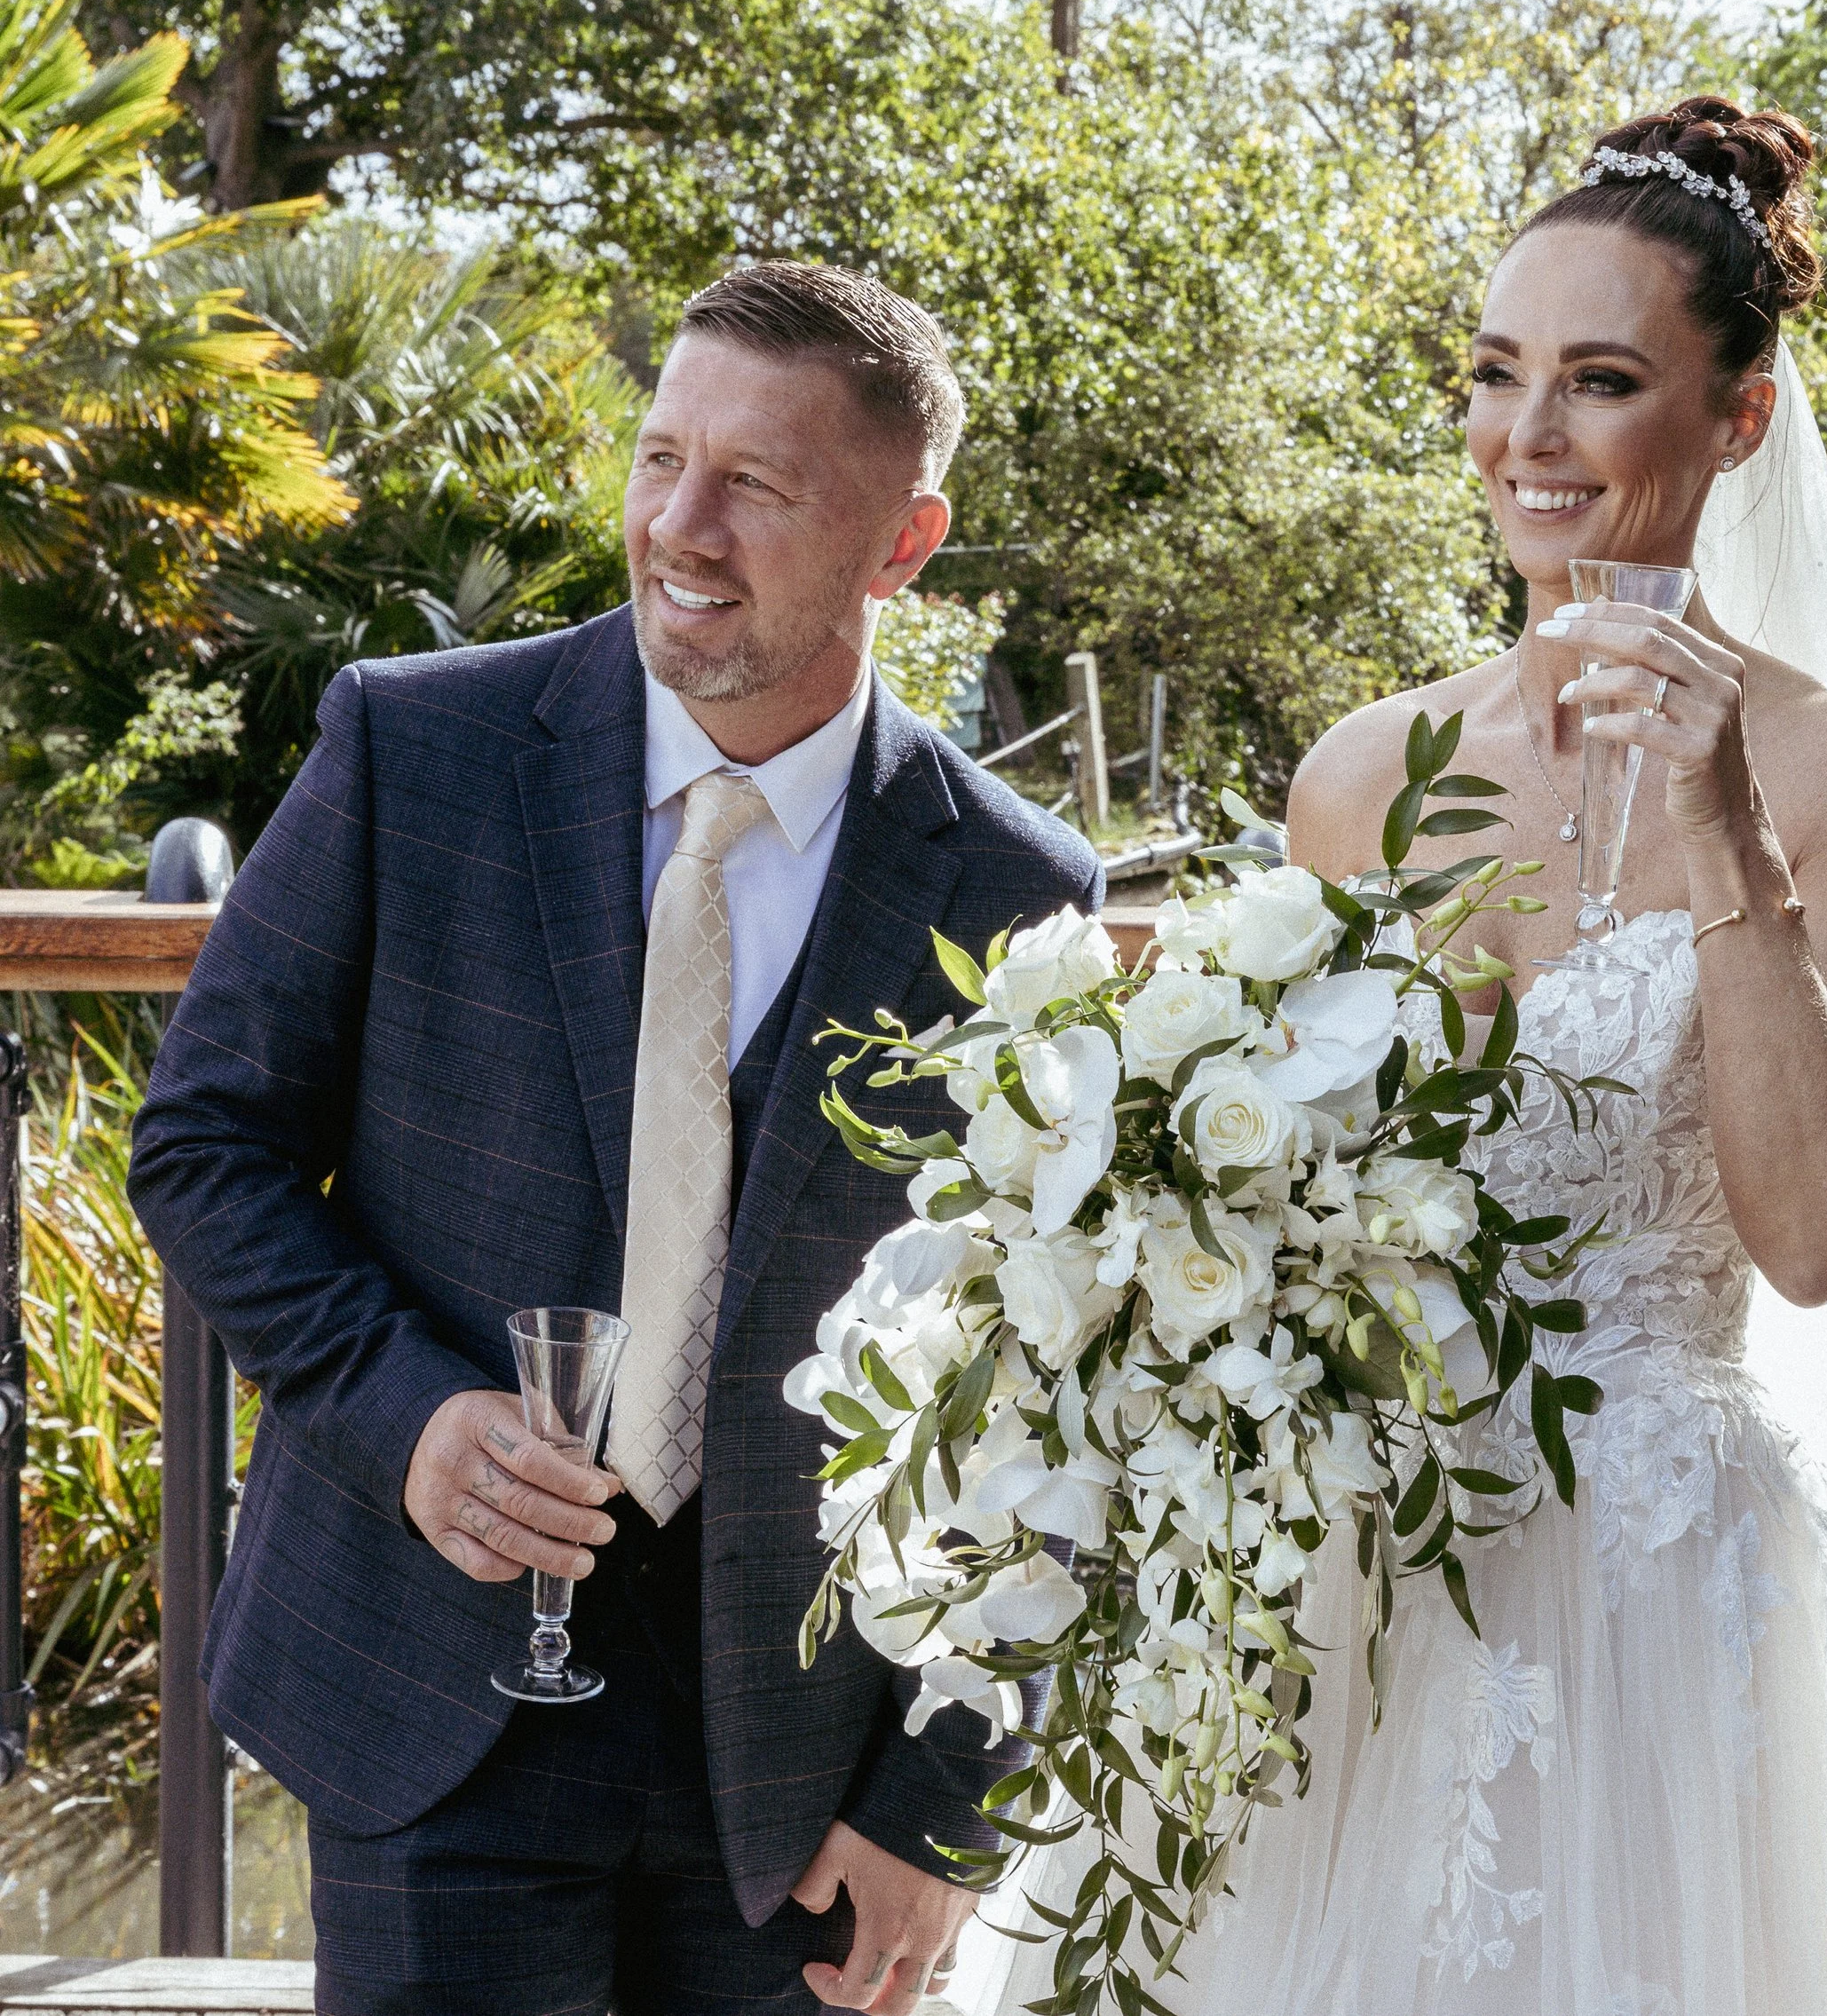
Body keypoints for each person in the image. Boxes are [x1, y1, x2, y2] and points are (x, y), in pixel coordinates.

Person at [968, 99, 1827, 2014]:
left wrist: (1723, 834)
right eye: (1493, 375)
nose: (1524, 438)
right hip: (1362, 1574)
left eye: (1598, 381)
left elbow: (1816, 1249)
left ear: (1737, 418)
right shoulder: (1361, 776)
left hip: (1667, 1597)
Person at [129, 262, 1103, 2016]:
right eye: (663, 458)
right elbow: (206, 1143)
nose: (680, 525)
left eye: (758, 485)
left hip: (805, 1773)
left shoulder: (1017, 890)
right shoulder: (409, 750)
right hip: (433, 1710)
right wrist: (406, 1414)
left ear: (902, 543)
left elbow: (1060, 1380)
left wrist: (944, 1811)